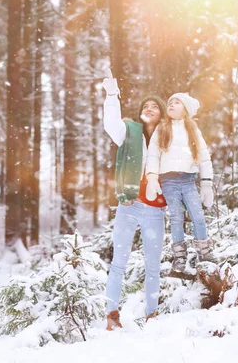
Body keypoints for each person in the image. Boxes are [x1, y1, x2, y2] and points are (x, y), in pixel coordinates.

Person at [102, 71, 167, 331]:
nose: (149, 109)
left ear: (162, 114)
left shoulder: (168, 139)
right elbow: (111, 125)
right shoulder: (129, 131)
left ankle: (152, 315)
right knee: (119, 262)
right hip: (129, 206)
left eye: (155, 107)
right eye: (145, 106)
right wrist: (111, 96)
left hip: (155, 211)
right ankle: (111, 315)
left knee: (153, 267)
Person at [145, 92, 215, 274]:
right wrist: (152, 177)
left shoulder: (192, 129)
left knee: (198, 216)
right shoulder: (162, 129)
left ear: (185, 110)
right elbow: (153, 154)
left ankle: (205, 254)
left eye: (177, 102)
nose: (172, 105)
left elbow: (204, 156)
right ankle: (179, 257)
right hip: (169, 181)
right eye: (171, 102)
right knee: (176, 218)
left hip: (188, 180)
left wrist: (206, 183)